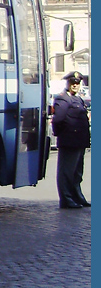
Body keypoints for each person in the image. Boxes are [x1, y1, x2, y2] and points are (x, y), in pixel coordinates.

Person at [52, 70, 91, 209]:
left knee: (77, 173)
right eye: (72, 83)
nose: (75, 85)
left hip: (79, 142)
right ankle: (66, 199)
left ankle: (77, 196)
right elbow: (58, 120)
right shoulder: (63, 99)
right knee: (66, 173)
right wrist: (62, 136)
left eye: (77, 83)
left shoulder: (78, 99)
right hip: (69, 142)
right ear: (68, 83)